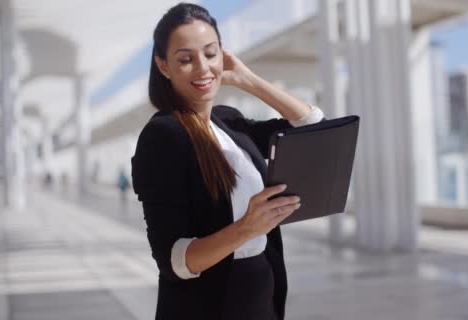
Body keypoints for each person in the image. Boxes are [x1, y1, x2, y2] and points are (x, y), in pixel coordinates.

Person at [131, 3, 325, 320]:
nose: (202, 67)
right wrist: (246, 228)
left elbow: (314, 129)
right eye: (185, 59)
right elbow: (174, 262)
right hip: (207, 308)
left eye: (211, 53)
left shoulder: (228, 122)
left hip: (262, 299)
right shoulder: (161, 136)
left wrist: (250, 80)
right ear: (163, 66)